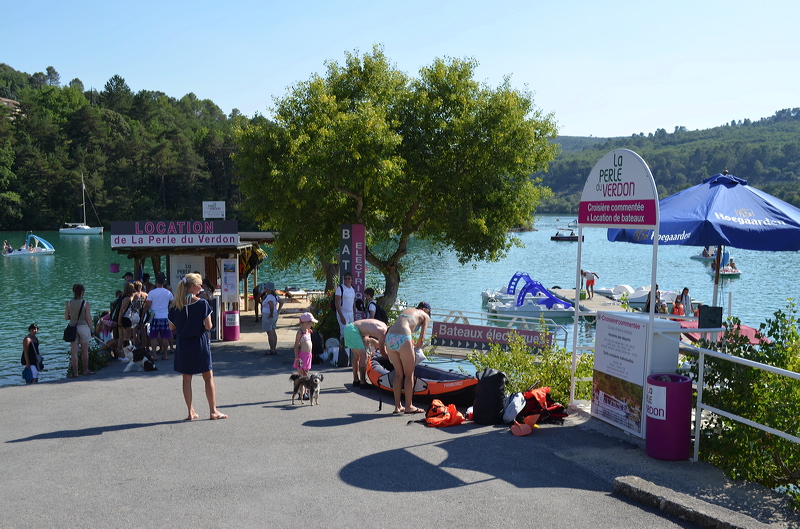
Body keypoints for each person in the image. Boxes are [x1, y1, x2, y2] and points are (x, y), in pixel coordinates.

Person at [168, 273, 227, 421]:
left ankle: (190, 411)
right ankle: (213, 411)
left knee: (186, 378)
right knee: (208, 377)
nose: (201, 288)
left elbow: (171, 326)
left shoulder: (176, 305)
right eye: (200, 285)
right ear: (194, 287)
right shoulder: (202, 304)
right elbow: (208, 325)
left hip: (183, 343)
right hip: (199, 342)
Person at [384, 302, 431, 414]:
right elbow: (421, 340)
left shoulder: (408, 311)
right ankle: (409, 406)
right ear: (427, 310)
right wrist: (416, 350)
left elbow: (393, 327)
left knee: (398, 374)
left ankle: (397, 406)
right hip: (403, 337)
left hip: (390, 337)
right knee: (409, 374)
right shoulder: (425, 316)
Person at [343, 318, 388, 388]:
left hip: (349, 328)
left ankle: (356, 380)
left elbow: (366, 334)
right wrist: (389, 359)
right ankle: (363, 382)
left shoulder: (382, 325)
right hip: (353, 330)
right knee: (364, 355)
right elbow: (382, 351)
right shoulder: (383, 332)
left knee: (356, 356)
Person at [65, 283, 94, 377]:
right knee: (85, 351)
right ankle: (85, 370)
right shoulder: (86, 303)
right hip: (83, 327)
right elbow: (88, 318)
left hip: (72, 327)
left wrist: (73, 317)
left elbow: (66, 317)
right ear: (82, 292)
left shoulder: (69, 303)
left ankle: (76, 372)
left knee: (74, 351)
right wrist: (92, 330)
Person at [145, 274, 175, 360]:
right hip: (165, 317)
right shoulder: (168, 292)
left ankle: (154, 355)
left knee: (153, 337)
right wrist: (168, 309)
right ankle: (165, 355)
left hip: (154, 317)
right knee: (165, 337)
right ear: (164, 282)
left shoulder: (152, 292)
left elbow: (148, 304)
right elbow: (173, 303)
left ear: (156, 282)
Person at [261, 282, 284, 355]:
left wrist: (270, 314)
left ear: (268, 289)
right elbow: (281, 302)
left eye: (265, 287)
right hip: (274, 314)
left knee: (269, 333)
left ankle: (272, 349)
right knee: (273, 331)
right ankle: (274, 348)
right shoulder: (275, 296)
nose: (264, 288)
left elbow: (271, 305)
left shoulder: (269, 297)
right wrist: (278, 310)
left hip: (268, 314)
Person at [293, 312, 318, 377]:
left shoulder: (308, 331)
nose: (312, 324)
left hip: (308, 355)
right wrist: (296, 358)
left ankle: (305, 383)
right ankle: (300, 384)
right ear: (306, 322)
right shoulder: (300, 333)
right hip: (302, 356)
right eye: (311, 323)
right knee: (301, 373)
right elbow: (296, 346)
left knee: (306, 373)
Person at [335, 273, 356, 340]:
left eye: (348, 279)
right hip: (343, 314)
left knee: (351, 332)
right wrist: (341, 316)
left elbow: (353, 302)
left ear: (352, 280)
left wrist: (354, 313)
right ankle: (342, 346)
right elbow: (337, 303)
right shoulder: (340, 288)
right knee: (344, 333)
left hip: (351, 314)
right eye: (345, 279)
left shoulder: (352, 289)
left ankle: (349, 346)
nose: (347, 280)